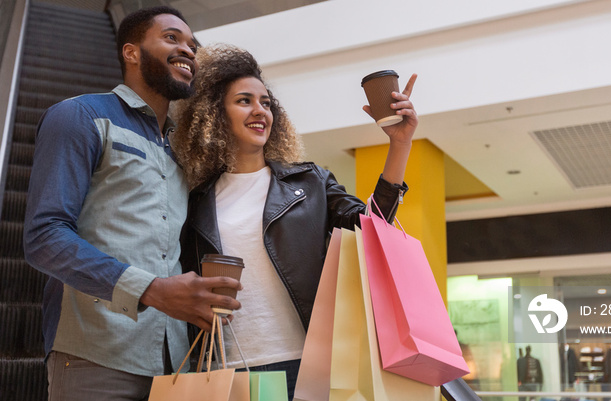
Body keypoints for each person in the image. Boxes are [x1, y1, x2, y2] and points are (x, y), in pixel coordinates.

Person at [173, 44, 418, 399]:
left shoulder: (311, 182)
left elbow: (372, 227)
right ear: (214, 114)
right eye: (244, 101)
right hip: (224, 369)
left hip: (306, 365)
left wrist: (400, 145)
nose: (260, 111)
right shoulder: (193, 201)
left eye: (266, 103)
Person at [23, 7, 242, 401]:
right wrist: (151, 289)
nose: (188, 50)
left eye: (192, 45)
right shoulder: (80, 116)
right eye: (172, 38)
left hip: (175, 365)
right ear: (131, 52)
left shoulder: (183, 150)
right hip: (95, 353)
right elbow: (44, 238)